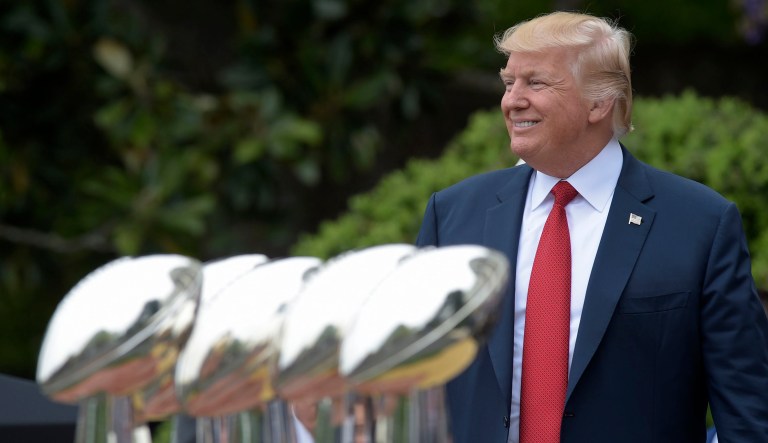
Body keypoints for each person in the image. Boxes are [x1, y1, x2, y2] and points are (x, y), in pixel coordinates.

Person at [415, 11, 768, 443]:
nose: (512, 101)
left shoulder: (701, 225)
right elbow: (417, 386)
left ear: (599, 103)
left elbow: (747, 413)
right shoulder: (452, 214)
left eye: (536, 83)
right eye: (509, 83)